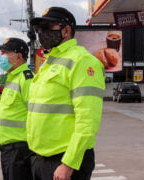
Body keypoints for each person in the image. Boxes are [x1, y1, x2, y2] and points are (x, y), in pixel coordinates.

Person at [27, 7, 105, 180]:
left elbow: (87, 120)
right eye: (39, 29)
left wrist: (68, 164)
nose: (42, 33)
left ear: (66, 30)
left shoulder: (82, 61)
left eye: (48, 27)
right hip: (40, 159)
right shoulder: (49, 63)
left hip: (64, 162)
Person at [0, 38, 34, 180]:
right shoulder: (12, 78)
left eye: (4, 53)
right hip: (9, 152)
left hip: (21, 151)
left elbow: (36, 115)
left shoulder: (26, 79)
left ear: (19, 56)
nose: (1, 57)